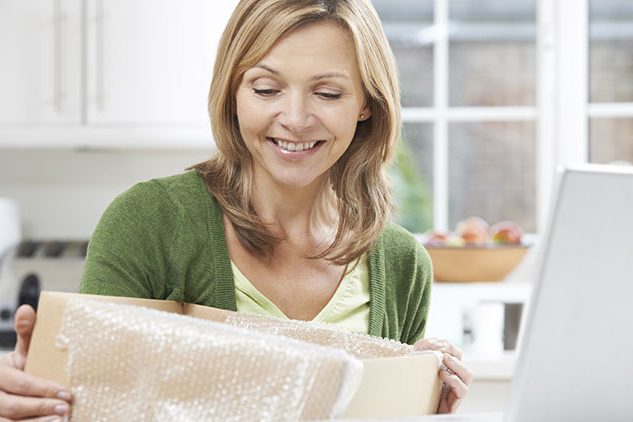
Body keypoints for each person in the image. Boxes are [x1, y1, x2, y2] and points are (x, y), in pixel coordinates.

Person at [0, 0, 473, 419]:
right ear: (232, 93)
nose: (295, 118)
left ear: (367, 103)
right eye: (266, 89)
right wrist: (40, 394)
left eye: (328, 93)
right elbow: (91, 404)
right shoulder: (150, 223)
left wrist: (417, 396)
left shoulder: (402, 264)